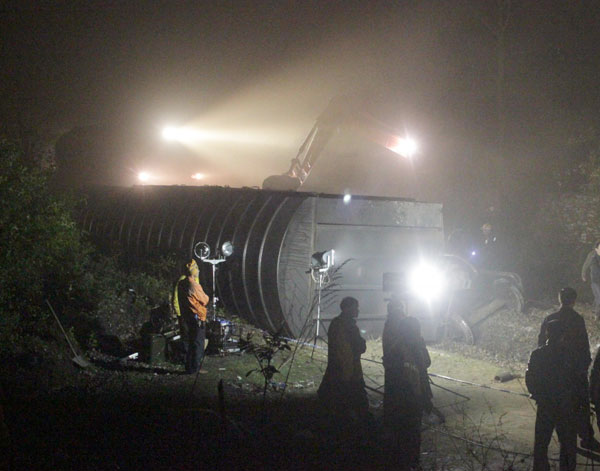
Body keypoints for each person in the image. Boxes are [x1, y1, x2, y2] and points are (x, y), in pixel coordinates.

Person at [537, 287, 599, 451]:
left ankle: (561, 440)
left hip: (555, 374)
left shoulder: (550, 319)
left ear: (560, 298)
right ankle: (586, 437)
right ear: (574, 300)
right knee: (581, 405)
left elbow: (540, 345)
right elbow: (584, 347)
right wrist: (583, 368)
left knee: (557, 407)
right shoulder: (577, 319)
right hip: (575, 372)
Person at [382, 298, 432, 470]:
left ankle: (411, 462)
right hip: (404, 402)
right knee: (404, 436)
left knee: (412, 436)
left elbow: (426, 364)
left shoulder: (414, 347)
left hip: (412, 401)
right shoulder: (398, 350)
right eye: (416, 331)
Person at [527, 320, 578, 471]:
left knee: (541, 444)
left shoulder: (538, 354)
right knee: (567, 444)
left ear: (547, 333)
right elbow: (576, 381)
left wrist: (537, 394)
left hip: (545, 404)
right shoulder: (570, 356)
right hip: (565, 405)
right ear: (563, 334)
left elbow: (530, 377)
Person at [317, 297, 369, 422]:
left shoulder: (336, 323)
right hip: (349, 369)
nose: (358, 310)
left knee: (335, 400)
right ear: (347, 309)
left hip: (336, 367)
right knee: (356, 402)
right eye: (355, 307)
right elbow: (360, 347)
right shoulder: (349, 326)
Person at [175, 259, 209, 374]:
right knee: (198, 343)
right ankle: (195, 368)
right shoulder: (193, 285)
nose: (199, 270)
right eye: (197, 268)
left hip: (188, 316)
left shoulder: (182, 283)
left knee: (190, 342)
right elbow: (205, 299)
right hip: (198, 316)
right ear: (193, 271)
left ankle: (189, 367)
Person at [581, 240, 600, 320]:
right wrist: (583, 275)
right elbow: (585, 265)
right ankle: (596, 314)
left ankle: (593, 310)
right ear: (596, 247)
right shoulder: (592, 255)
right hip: (595, 280)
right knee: (599, 296)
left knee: (597, 297)